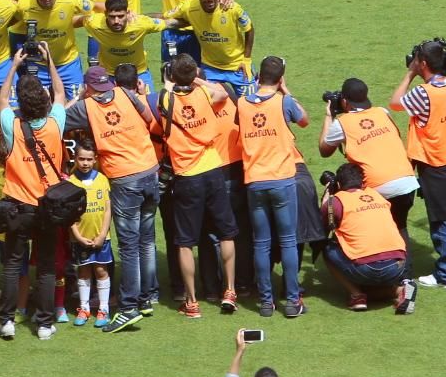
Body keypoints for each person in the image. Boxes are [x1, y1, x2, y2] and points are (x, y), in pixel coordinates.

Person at [64, 64, 161, 333]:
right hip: (150, 172)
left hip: (124, 179)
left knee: (129, 246)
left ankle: (128, 307)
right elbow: (149, 118)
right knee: (147, 239)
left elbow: (56, 119)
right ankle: (147, 298)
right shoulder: (126, 93)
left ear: (88, 87)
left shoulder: (86, 107)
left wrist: (78, 97)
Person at [154, 53, 237, 318]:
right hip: (213, 169)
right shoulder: (205, 94)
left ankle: (191, 301)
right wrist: (198, 81)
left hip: (187, 175)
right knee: (226, 234)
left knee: (185, 243)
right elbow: (221, 93)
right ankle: (230, 291)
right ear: (195, 75)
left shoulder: (166, 98)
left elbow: (166, 94)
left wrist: (173, 82)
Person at [0, 44, 66, 340]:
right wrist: (50, 61)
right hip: (47, 208)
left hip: (18, 207)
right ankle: (45, 325)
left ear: (21, 103)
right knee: (47, 267)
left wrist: (13, 66)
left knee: (13, 265)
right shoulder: (54, 124)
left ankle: (9, 321)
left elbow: (1, 100)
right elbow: (61, 94)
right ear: (45, 100)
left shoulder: (12, 125)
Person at [319, 77, 419, 278]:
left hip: (379, 187)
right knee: (400, 226)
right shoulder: (382, 112)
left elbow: (324, 149)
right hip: (407, 180)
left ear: (345, 102)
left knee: (372, 229)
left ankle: (371, 276)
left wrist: (328, 116)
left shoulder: (342, 123)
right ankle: (404, 276)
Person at [390, 41, 446, 288]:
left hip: (434, 163)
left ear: (423, 63)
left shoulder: (424, 93)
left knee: (442, 219)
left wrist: (410, 73)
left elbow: (395, 102)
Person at [236, 56, 309, 318]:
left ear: (258, 78)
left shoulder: (242, 103)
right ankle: (292, 300)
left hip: (254, 181)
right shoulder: (283, 101)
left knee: (261, 243)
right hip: (282, 180)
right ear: (280, 79)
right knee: (288, 241)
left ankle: (266, 303)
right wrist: (286, 91)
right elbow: (304, 120)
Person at [321, 163, 414, 314]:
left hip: (365, 269)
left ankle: (356, 295)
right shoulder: (376, 195)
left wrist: (328, 190)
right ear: (363, 182)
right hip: (397, 266)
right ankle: (398, 290)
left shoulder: (336, 202)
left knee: (327, 249)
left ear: (339, 184)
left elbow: (324, 221)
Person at [165, 0, 255, 95]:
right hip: (211, 68)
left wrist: (247, 60)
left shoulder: (231, 8)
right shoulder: (189, 8)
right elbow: (164, 16)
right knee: (205, 104)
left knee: (250, 105)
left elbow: (249, 29)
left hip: (238, 66)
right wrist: (138, 17)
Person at [7, 0, 91, 97]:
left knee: (76, 102)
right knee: (37, 105)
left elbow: (96, 8)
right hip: (39, 64)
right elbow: (5, 20)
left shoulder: (71, 1)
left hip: (68, 63)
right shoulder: (24, 5)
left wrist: (126, 11)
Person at [67, 139, 113, 327]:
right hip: (80, 238)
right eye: (81, 159)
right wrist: (77, 236)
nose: (85, 163)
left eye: (89, 159)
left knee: (101, 270)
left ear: (95, 160)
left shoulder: (102, 179)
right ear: (75, 159)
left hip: (101, 238)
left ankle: (103, 309)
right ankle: (84, 307)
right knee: (84, 271)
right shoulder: (71, 182)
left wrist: (103, 234)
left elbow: (108, 209)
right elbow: (68, 215)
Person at [84, 0, 166, 93]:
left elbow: (168, 22)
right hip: (109, 74)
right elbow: (75, 19)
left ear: (128, 13)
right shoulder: (94, 24)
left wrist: (187, 15)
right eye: (112, 17)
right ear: (105, 14)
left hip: (139, 72)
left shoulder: (140, 24)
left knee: (149, 104)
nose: (116, 21)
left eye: (121, 16)